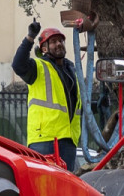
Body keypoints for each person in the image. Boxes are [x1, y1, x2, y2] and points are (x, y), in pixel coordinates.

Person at [12, 20, 82, 170]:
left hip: (68, 139)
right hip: (44, 140)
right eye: (54, 42)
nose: (59, 44)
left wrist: (96, 106)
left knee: (65, 188)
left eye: (61, 41)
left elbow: (71, 104)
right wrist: (30, 37)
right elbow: (18, 65)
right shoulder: (38, 68)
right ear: (44, 48)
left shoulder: (71, 71)